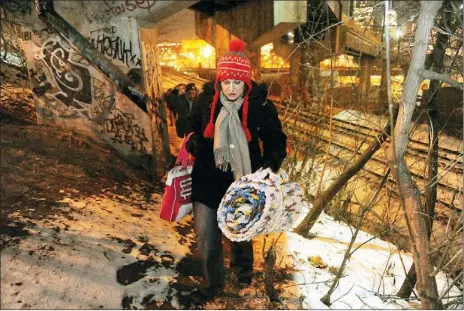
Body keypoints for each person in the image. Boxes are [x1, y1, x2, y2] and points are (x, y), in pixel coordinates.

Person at [185, 40, 287, 304]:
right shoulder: (206, 102)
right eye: (226, 82)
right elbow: (189, 128)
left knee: (240, 232)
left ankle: (242, 274)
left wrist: (269, 163)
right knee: (206, 236)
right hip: (207, 179)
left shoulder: (259, 106)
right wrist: (194, 140)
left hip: (243, 182)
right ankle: (212, 284)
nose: (231, 89)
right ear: (219, 81)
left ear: (247, 83)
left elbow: (276, 141)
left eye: (237, 83)